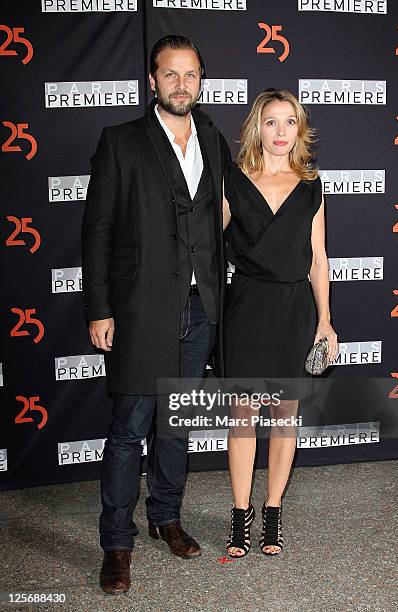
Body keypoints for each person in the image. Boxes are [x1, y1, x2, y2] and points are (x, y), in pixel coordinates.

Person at [81, 35, 230, 594]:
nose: (181, 84)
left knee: (176, 427)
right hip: (140, 311)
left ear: (201, 80)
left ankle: (165, 516)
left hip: (199, 310)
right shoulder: (121, 142)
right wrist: (99, 307)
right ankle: (115, 544)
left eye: (190, 75)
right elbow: (96, 231)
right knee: (129, 431)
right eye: (170, 75)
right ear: (152, 81)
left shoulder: (214, 140)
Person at [222, 88, 338, 558]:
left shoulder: (312, 185)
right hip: (246, 308)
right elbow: (205, 248)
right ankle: (239, 515)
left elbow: (318, 258)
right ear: (257, 127)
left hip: (294, 310)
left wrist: (325, 321)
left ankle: (272, 512)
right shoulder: (232, 180)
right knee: (243, 418)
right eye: (271, 121)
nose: (281, 131)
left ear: (300, 128)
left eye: (290, 122)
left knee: (285, 417)